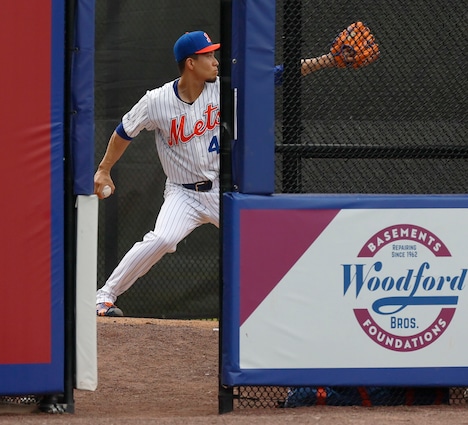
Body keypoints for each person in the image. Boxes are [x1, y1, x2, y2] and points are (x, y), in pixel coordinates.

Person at [94, 30, 379, 317]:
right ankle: (104, 297)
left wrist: (327, 60)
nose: (215, 61)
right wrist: (104, 170)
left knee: (268, 239)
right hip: (182, 193)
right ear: (190, 63)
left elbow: (275, 75)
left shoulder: (224, 87)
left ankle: (315, 303)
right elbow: (123, 132)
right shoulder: (155, 101)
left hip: (222, 188)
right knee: (163, 240)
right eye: (208, 55)